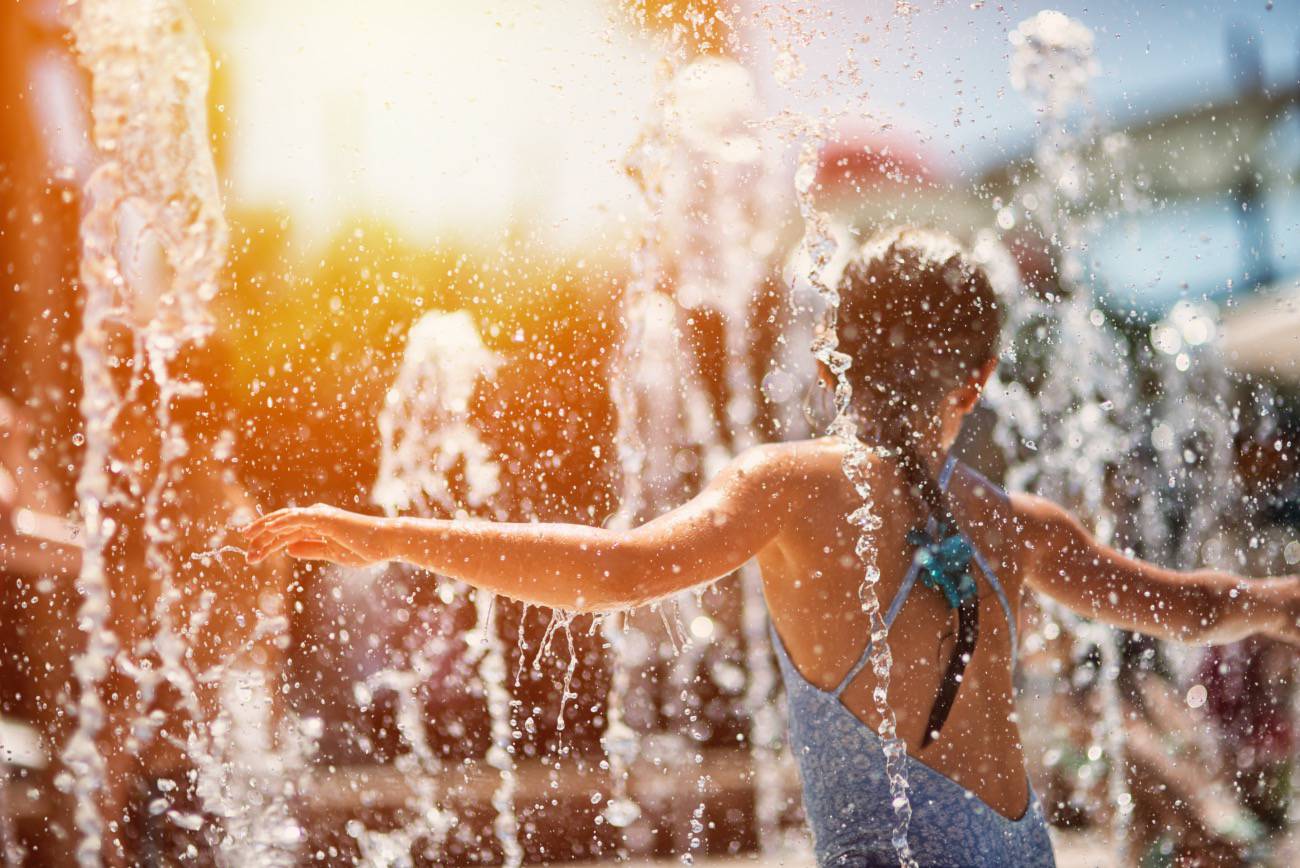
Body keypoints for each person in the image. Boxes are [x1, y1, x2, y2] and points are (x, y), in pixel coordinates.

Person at [242, 227, 1300, 866]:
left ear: (836, 353)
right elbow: (1189, 602)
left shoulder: (785, 488)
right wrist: (1274, 597)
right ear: (975, 380)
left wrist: (386, 534)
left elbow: (609, 571)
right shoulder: (1021, 526)